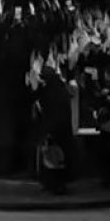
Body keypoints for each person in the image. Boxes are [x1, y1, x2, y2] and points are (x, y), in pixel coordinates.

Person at [32, 65, 75, 194]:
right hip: (60, 130)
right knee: (56, 158)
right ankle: (54, 184)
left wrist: (49, 130)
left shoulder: (53, 92)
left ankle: (55, 184)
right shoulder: (58, 89)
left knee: (54, 159)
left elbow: (52, 112)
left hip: (55, 130)